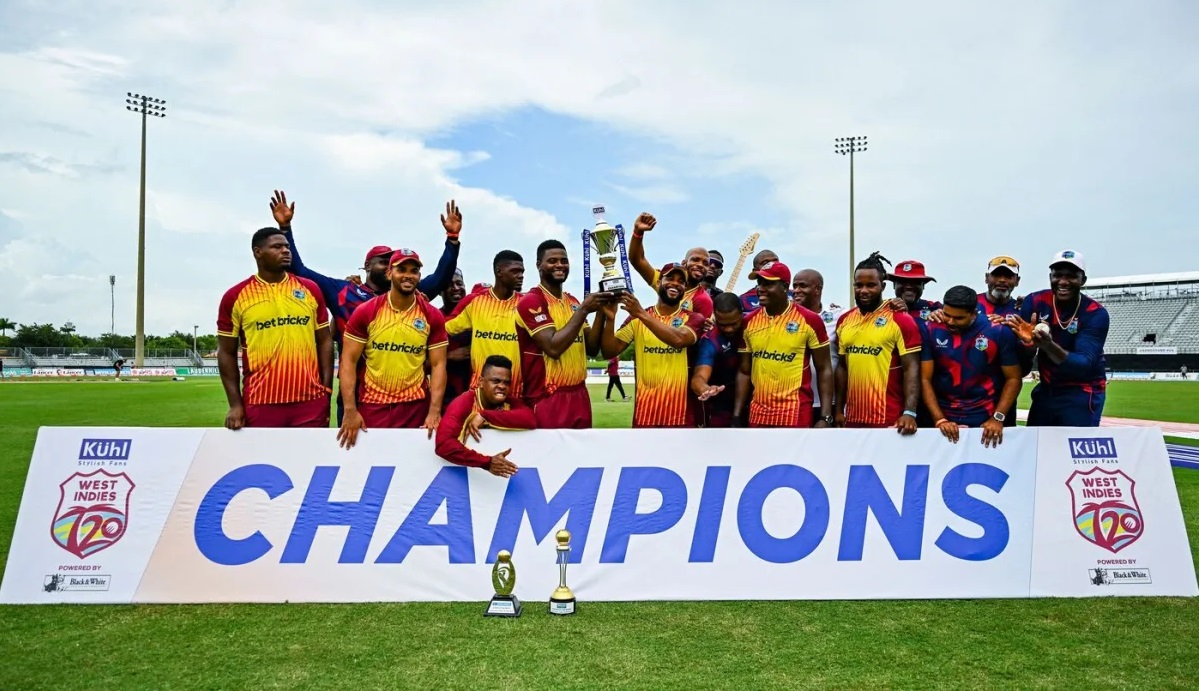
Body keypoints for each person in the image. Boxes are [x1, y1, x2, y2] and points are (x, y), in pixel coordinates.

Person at [269, 191, 462, 423]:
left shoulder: (411, 293)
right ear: (368, 266)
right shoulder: (343, 292)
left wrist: (452, 240)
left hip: (406, 399)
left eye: (394, 263)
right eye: (384, 262)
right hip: (354, 394)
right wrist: (285, 229)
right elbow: (300, 271)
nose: (390, 266)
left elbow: (441, 276)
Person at [216, 226, 334, 429]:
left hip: (311, 401)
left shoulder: (310, 289)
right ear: (258, 252)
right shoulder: (235, 296)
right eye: (277, 247)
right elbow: (226, 352)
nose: (286, 251)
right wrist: (235, 404)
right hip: (261, 401)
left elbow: (325, 341)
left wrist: (326, 390)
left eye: (287, 246)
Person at [336, 249, 448, 449]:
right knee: (372, 461)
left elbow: (439, 365)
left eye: (414, 271)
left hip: (415, 407)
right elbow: (348, 362)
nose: (408, 275)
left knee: (414, 463)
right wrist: (350, 410)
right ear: (389, 274)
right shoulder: (367, 311)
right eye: (401, 269)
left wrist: (434, 411)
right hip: (374, 405)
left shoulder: (431, 315)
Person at [1003, 250, 1109, 427]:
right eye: (1057, 275)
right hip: (1048, 389)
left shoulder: (1094, 313)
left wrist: (1048, 345)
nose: (1063, 281)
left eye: (1071, 276)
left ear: (1083, 280)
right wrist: (1028, 345)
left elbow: (1083, 364)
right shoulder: (1036, 301)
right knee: (1037, 442)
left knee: (1073, 444)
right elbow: (1023, 359)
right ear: (1050, 277)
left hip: (1083, 391)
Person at [516, 240, 611, 428]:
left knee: (582, 448)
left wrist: (601, 310)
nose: (560, 265)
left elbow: (591, 348)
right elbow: (553, 348)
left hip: (580, 393)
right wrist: (584, 309)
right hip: (548, 396)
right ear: (539, 265)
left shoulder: (572, 301)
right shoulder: (532, 301)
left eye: (564, 261)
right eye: (552, 261)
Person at [601, 263, 705, 427]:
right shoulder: (636, 318)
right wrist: (610, 319)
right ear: (658, 283)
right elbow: (609, 351)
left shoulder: (694, 318)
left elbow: (679, 340)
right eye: (670, 278)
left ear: (685, 288)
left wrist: (641, 313)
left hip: (680, 416)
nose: (675, 283)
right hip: (645, 415)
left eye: (681, 281)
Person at [734, 261, 833, 428]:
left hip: (795, 414)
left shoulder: (810, 320)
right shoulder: (748, 322)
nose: (761, 288)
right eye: (759, 283)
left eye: (768, 284)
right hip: (758, 416)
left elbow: (824, 369)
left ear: (785, 287)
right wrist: (737, 416)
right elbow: (744, 372)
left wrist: (825, 417)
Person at [921, 285, 1023, 447]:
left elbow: (1014, 378)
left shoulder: (998, 331)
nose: (950, 322)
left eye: (958, 318)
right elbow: (925, 379)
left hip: (984, 418)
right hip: (943, 416)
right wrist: (939, 419)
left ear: (974, 313)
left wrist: (997, 418)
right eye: (947, 315)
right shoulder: (930, 328)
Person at [834, 252, 922, 433]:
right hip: (852, 418)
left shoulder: (900, 319)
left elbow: (911, 368)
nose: (864, 290)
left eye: (871, 285)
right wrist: (838, 410)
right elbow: (842, 368)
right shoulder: (844, 320)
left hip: (889, 417)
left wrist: (909, 412)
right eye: (859, 285)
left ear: (883, 286)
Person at [434, 355, 534, 477]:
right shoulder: (465, 402)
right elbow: (443, 445)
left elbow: (531, 419)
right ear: (481, 382)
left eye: (506, 382)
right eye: (496, 381)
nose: (502, 386)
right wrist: (487, 462)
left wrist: (485, 416)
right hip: (460, 477)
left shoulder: (509, 401)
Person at [445, 250, 525, 398]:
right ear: (499, 272)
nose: (521, 276)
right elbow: (443, 330)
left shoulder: (525, 304)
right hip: (479, 391)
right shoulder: (476, 303)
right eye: (515, 271)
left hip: (514, 392)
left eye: (522, 271)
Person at [626, 212, 714, 318]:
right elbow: (637, 260)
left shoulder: (703, 300)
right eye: (695, 260)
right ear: (684, 263)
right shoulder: (665, 279)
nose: (700, 265)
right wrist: (638, 232)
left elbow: (699, 328)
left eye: (705, 263)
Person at [791, 268, 846, 424]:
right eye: (794, 286)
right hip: (795, 402)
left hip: (829, 403)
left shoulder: (839, 315)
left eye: (802, 286)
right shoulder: (786, 316)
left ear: (818, 289)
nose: (796, 290)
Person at [691, 292, 744, 427]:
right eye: (723, 325)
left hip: (757, 403)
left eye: (733, 323)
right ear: (715, 316)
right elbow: (699, 377)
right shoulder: (710, 340)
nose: (729, 329)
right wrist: (705, 389)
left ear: (741, 313)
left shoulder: (754, 326)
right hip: (722, 407)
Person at [439, 269, 472, 407]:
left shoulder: (477, 316)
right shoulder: (433, 319)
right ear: (440, 291)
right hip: (445, 396)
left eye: (459, 283)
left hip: (475, 394)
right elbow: (419, 363)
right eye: (449, 285)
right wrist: (449, 356)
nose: (456, 288)